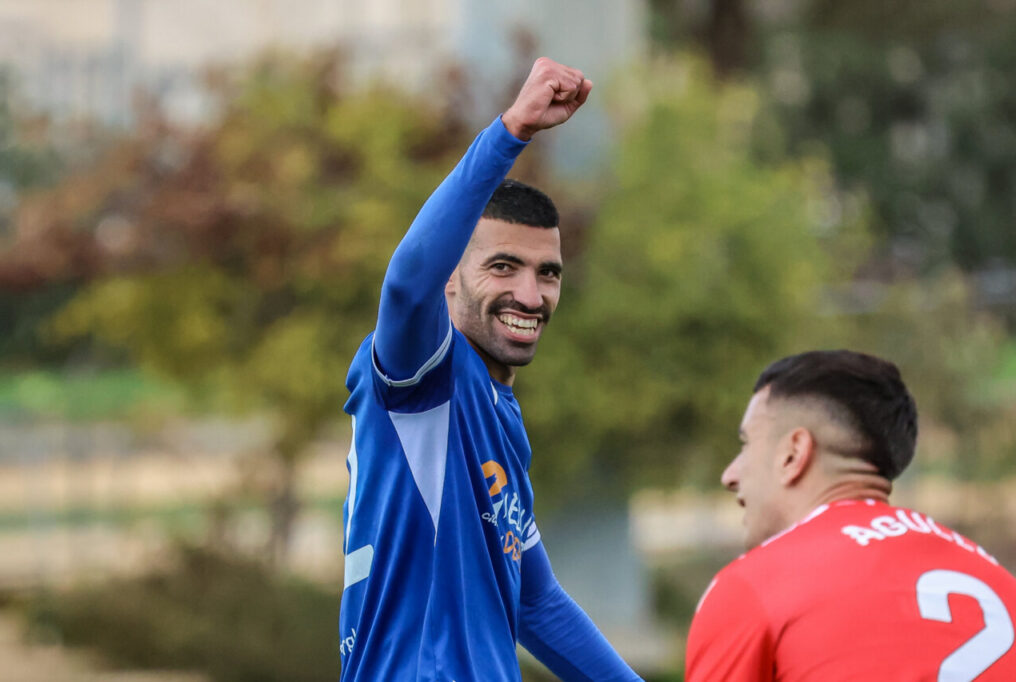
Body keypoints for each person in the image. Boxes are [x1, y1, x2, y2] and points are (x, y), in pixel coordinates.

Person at [339, 58, 641, 681]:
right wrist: (511, 133)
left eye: (547, 273)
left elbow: (538, 601)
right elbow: (403, 286)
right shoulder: (425, 380)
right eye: (502, 267)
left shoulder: (500, 420)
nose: (530, 296)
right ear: (450, 280)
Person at [685, 349, 1016, 681]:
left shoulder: (754, 586)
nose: (730, 475)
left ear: (792, 453)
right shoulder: (1001, 584)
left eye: (746, 444)